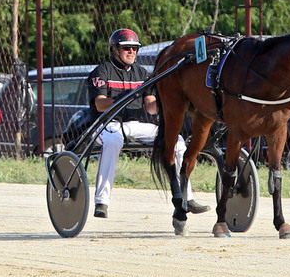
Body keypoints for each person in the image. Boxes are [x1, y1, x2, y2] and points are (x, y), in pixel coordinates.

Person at [87, 28, 209, 218]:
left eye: (135, 48)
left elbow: (151, 108)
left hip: (134, 125)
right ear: (114, 50)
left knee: (177, 141)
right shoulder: (102, 71)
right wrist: (123, 97)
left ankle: (187, 196)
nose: (131, 52)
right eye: (126, 48)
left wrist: (170, 102)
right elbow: (100, 104)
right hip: (106, 125)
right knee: (113, 141)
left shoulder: (143, 73)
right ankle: (102, 202)